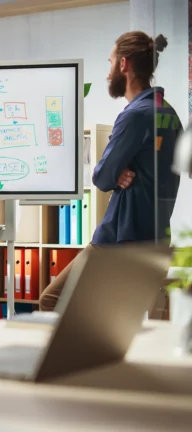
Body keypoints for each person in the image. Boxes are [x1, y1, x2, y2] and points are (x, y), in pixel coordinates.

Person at [39, 31, 182, 311]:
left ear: (123, 64)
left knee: (52, 300)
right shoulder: (168, 113)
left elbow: (102, 178)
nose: (108, 72)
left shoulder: (134, 115)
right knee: (132, 319)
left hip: (118, 241)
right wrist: (119, 170)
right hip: (155, 240)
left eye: (110, 62)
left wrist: (114, 171)